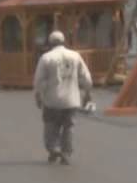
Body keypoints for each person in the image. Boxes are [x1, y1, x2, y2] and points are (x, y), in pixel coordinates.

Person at [33, 30, 93, 165]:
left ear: (50, 43)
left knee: (50, 126)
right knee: (68, 127)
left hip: (52, 100)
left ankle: (53, 149)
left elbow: (38, 80)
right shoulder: (75, 56)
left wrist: (38, 95)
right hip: (71, 100)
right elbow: (86, 78)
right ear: (64, 41)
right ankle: (66, 153)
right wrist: (87, 94)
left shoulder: (46, 58)